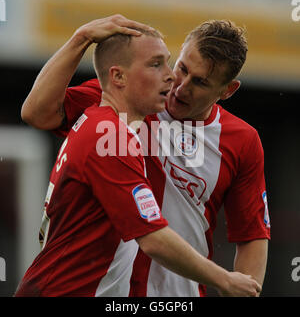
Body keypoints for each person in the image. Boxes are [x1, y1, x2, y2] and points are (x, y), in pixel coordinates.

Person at [20, 15, 270, 297]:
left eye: (199, 82)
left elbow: (252, 234)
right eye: (181, 68)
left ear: (227, 90)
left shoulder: (242, 141)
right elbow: (36, 112)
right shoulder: (118, 115)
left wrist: (241, 288)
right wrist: (81, 38)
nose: (179, 85)